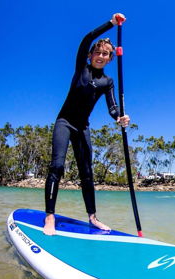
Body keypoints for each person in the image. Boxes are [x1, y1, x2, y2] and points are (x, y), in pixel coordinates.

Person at [43, 13, 130, 235]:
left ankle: (92, 217)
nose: (101, 56)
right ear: (91, 54)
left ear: (110, 58)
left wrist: (119, 117)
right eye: (98, 52)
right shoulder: (81, 67)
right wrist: (111, 24)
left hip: (82, 127)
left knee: (87, 173)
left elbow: (112, 107)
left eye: (106, 54)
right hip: (64, 122)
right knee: (57, 166)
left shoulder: (107, 82)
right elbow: (86, 38)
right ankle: (50, 216)